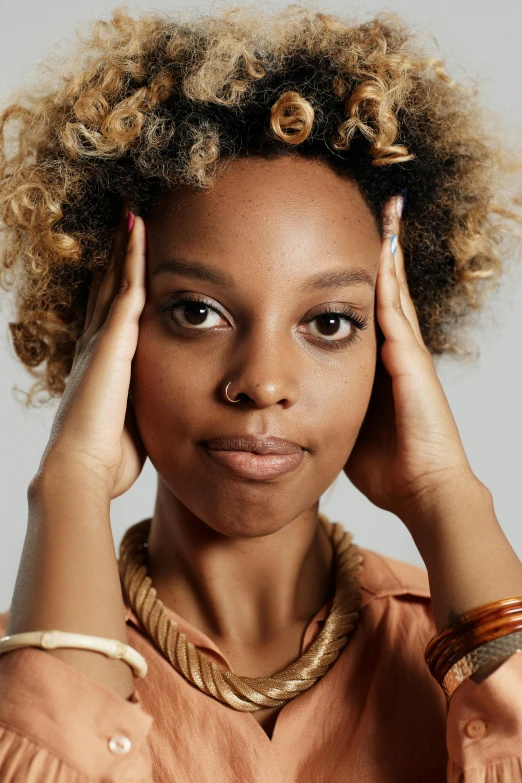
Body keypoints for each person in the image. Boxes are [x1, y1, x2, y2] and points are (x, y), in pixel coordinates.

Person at [0, 4, 521, 781]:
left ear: (390, 347)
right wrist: (67, 484)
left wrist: (450, 495)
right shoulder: (28, 672)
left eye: (331, 322)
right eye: (196, 312)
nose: (264, 383)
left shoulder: (455, 644)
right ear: (105, 333)